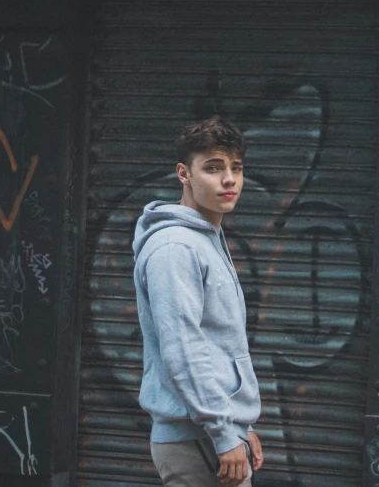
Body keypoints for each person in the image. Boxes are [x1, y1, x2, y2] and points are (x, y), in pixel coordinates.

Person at [132, 116, 263, 486]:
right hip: (197, 439)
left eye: (236, 168)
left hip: (210, 433)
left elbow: (218, 342)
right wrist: (223, 432)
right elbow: (184, 349)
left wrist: (239, 425)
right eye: (213, 168)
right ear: (183, 174)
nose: (229, 180)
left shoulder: (205, 240)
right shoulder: (176, 247)